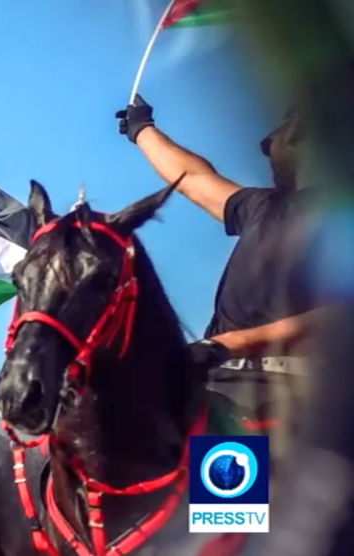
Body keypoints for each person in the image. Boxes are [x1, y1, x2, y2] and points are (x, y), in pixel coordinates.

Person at [117, 96, 322, 455]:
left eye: (280, 129)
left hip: (295, 398)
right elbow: (194, 178)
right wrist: (143, 130)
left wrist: (230, 344)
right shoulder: (263, 208)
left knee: (245, 511)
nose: (265, 144)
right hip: (220, 390)